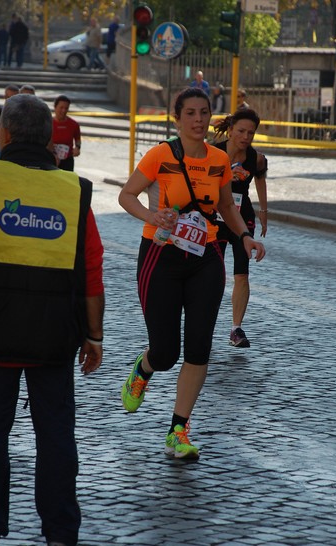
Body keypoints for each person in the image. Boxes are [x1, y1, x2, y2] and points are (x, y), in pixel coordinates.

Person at [0, 94, 105, 546]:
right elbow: (92, 270)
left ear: (5, 135)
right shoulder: (74, 192)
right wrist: (94, 335)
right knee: (55, 435)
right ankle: (60, 536)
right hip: (54, 341)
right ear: (53, 137)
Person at [118, 87, 265, 460]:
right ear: (177, 118)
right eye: (190, 113)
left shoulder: (219, 159)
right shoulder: (160, 155)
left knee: (199, 347)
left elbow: (228, 205)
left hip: (206, 258)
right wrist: (152, 216)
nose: (198, 119)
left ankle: (178, 430)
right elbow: (127, 195)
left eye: (204, 112)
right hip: (161, 255)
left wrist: (245, 236)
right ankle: (144, 367)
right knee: (166, 352)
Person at [214, 108, 268, 348]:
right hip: (214, 215)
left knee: (242, 273)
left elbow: (260, 180)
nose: (246, 137)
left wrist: (264, 213)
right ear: (231, 129)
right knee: (212, 274)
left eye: (251, 133)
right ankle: (205, 322)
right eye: (241, 131)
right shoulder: (213, 152)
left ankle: (236, 329)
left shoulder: (255, 157)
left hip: (241, 217)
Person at [0, 84, 20, 159]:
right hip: (2, 150)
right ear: (5, 97)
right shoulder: (0, 112)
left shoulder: (21, 114)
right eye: (9, 97)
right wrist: (1, 138)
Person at [52, 95, 81, 172]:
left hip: (67, 160)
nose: (64, 110)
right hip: (51, 159)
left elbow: (78, 139)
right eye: (61, 108)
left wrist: (77, 148)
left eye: (66, 108)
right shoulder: (48, 123)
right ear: (55, 107)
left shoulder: (74, 124)